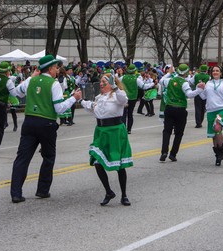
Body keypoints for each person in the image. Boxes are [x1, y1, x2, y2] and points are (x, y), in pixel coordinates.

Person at [10, 55, 82, 203]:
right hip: (47, 123)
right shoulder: (53, 84)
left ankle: (16, 193)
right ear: (50, 68)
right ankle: (42, 190)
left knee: (22, 158)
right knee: (48, 157)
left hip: (29, 121)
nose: (57, 70)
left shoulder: (31, 80)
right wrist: (74, 98)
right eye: (56, 67)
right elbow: (59, 108)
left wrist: (31, 77)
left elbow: (17, 92)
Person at [80, 70, 133, 206]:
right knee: (97, 162)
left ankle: (124, 195)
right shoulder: (99, 98)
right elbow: (91, 107)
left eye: (104, 82)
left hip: (115, 131)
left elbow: (124, 100)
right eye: (102, 82)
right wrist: (79, 100)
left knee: (119, 166)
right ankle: (109, 191)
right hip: (101, 132)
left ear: (111, 84)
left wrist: (115, 86)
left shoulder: (117, 95)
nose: (102, 84)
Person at [158, 64, 205, 162]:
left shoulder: (169, 80)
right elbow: (189, 94)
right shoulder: (184, 83)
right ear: (186, 72)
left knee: (166, 131)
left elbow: (161, 80)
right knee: (179, 133)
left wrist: (168, 73)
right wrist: (199, 90)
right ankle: (173, 154)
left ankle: (164, 152)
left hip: (169, 108)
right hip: (180, 109)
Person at [120, 64, 155, 133]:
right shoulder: (136, 79)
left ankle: (123, 129)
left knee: (123, 114)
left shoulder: (122, 78)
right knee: (130, 114)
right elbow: (144, 86)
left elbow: (117, 83)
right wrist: (153, 84)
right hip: (133, 98)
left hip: (124, 97)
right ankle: (129, 129)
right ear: (134, 71)